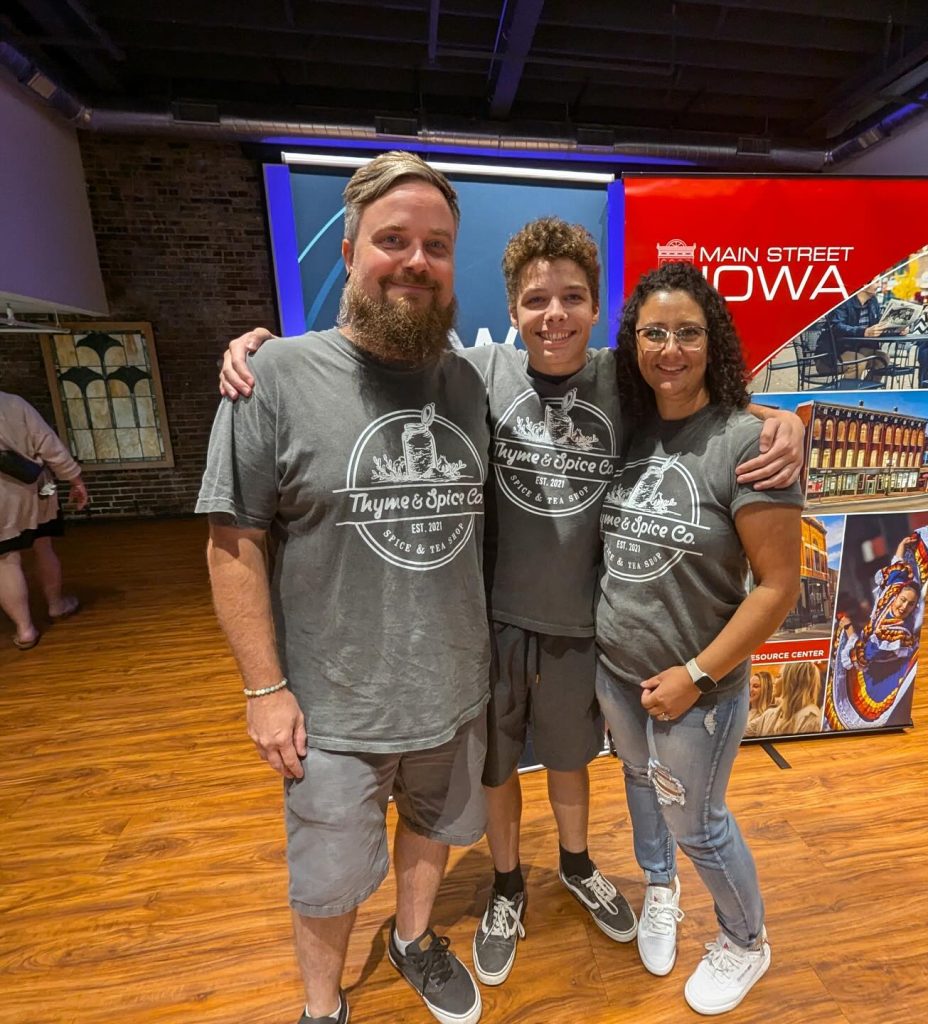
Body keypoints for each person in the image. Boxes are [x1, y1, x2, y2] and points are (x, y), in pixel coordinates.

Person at [218, 219, 805, 993]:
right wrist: (262, 349)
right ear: (513, 307)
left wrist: (785, 418)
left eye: (571, 298)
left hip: (582, 627)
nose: (553, 314)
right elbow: (371, 358)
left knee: (570, 759)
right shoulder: (479, 370)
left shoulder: (617, 379)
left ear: (597, 309)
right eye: (535, 300)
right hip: (489, 623)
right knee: (498, 766)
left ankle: (575, 862)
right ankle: (505, 883)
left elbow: (697, 401)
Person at [197, 152, 492, 1024]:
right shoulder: (272, 377)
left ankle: (411, 940)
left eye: (436, 245)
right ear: (351, 248)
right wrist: (264, 688)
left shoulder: (469, 382)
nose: (415, 262)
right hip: (329, 709)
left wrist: (765, 414)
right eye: (392, 239)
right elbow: (231, 544)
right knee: (326, 878)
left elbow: (626, 384)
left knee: (434, 831)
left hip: (454, 686)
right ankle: (323, 1007)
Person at [594, 261, 802, 1015]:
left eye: (688, 332)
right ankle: (658, 886)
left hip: (696, 689)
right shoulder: (633, 426)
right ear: (635, 343)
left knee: (700, 822)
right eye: (655, 332)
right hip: (617, 671)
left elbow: (779, 588)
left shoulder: (751, 443)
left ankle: (746, 940)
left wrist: (698, 676)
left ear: (712, 341)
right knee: (642, 787)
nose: (671, 349)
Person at [0, 391, 88, 650]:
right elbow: (48, 443)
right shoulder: (13, 403)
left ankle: (25, 629)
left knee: (6, 560)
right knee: (43, 545)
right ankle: (56, 604)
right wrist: (75, 480)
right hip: (35, 489)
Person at [827, 531, 928, 729]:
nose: (903, 607)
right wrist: (902, 544)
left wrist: (848, 627)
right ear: (897, 594)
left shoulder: (897, 633)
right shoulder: (893, 589)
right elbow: (896, 567)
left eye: (910, 605)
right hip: (867, 638)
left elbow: (862, 657)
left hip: (876, 668)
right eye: (903, 600)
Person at [821, 279, 902, 381]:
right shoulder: (843, 301)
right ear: (864, 283)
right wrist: (864, 332)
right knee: (858, 361)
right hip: (833, 353)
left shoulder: (873, 302)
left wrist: (898, 330)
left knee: (882, 358)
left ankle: (867, 392)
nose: (879, 285)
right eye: (876, 282)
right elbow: (836, 327)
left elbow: (878, 328)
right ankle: (849, 395)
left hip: (857, 349)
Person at [746, 662, 822, 736]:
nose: (774, 682)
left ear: (791, 681)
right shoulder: (769, 715)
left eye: (779, 676)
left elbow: (802, 747)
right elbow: (741, 733)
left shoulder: (809, 716)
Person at [744, 670, 775, 735]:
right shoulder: (743, 712)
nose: (750, 689)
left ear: (765, 690)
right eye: (749, 685)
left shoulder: (767, 716)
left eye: (755, 686)